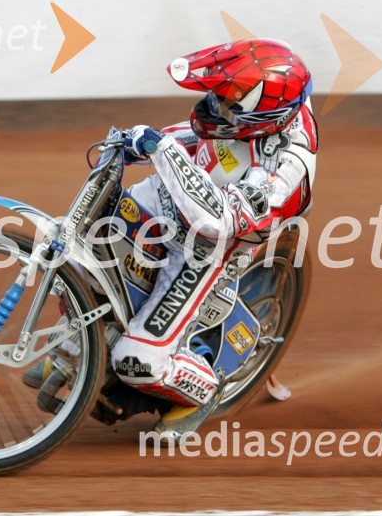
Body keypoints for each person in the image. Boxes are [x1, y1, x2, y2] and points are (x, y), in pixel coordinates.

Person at [28, 38, 318, 440]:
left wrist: (161, 148)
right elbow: (204, 139)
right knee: (81, 253)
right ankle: (78, 342)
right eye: (217, 96)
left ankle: (201, 389)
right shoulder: (265, 107)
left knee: (136, 361)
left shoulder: (287, 168)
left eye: (227, 103)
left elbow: (217, 221)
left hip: (208, 249)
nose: (215, 106)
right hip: (176, 196)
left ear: (268, 119)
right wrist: (145, 142)